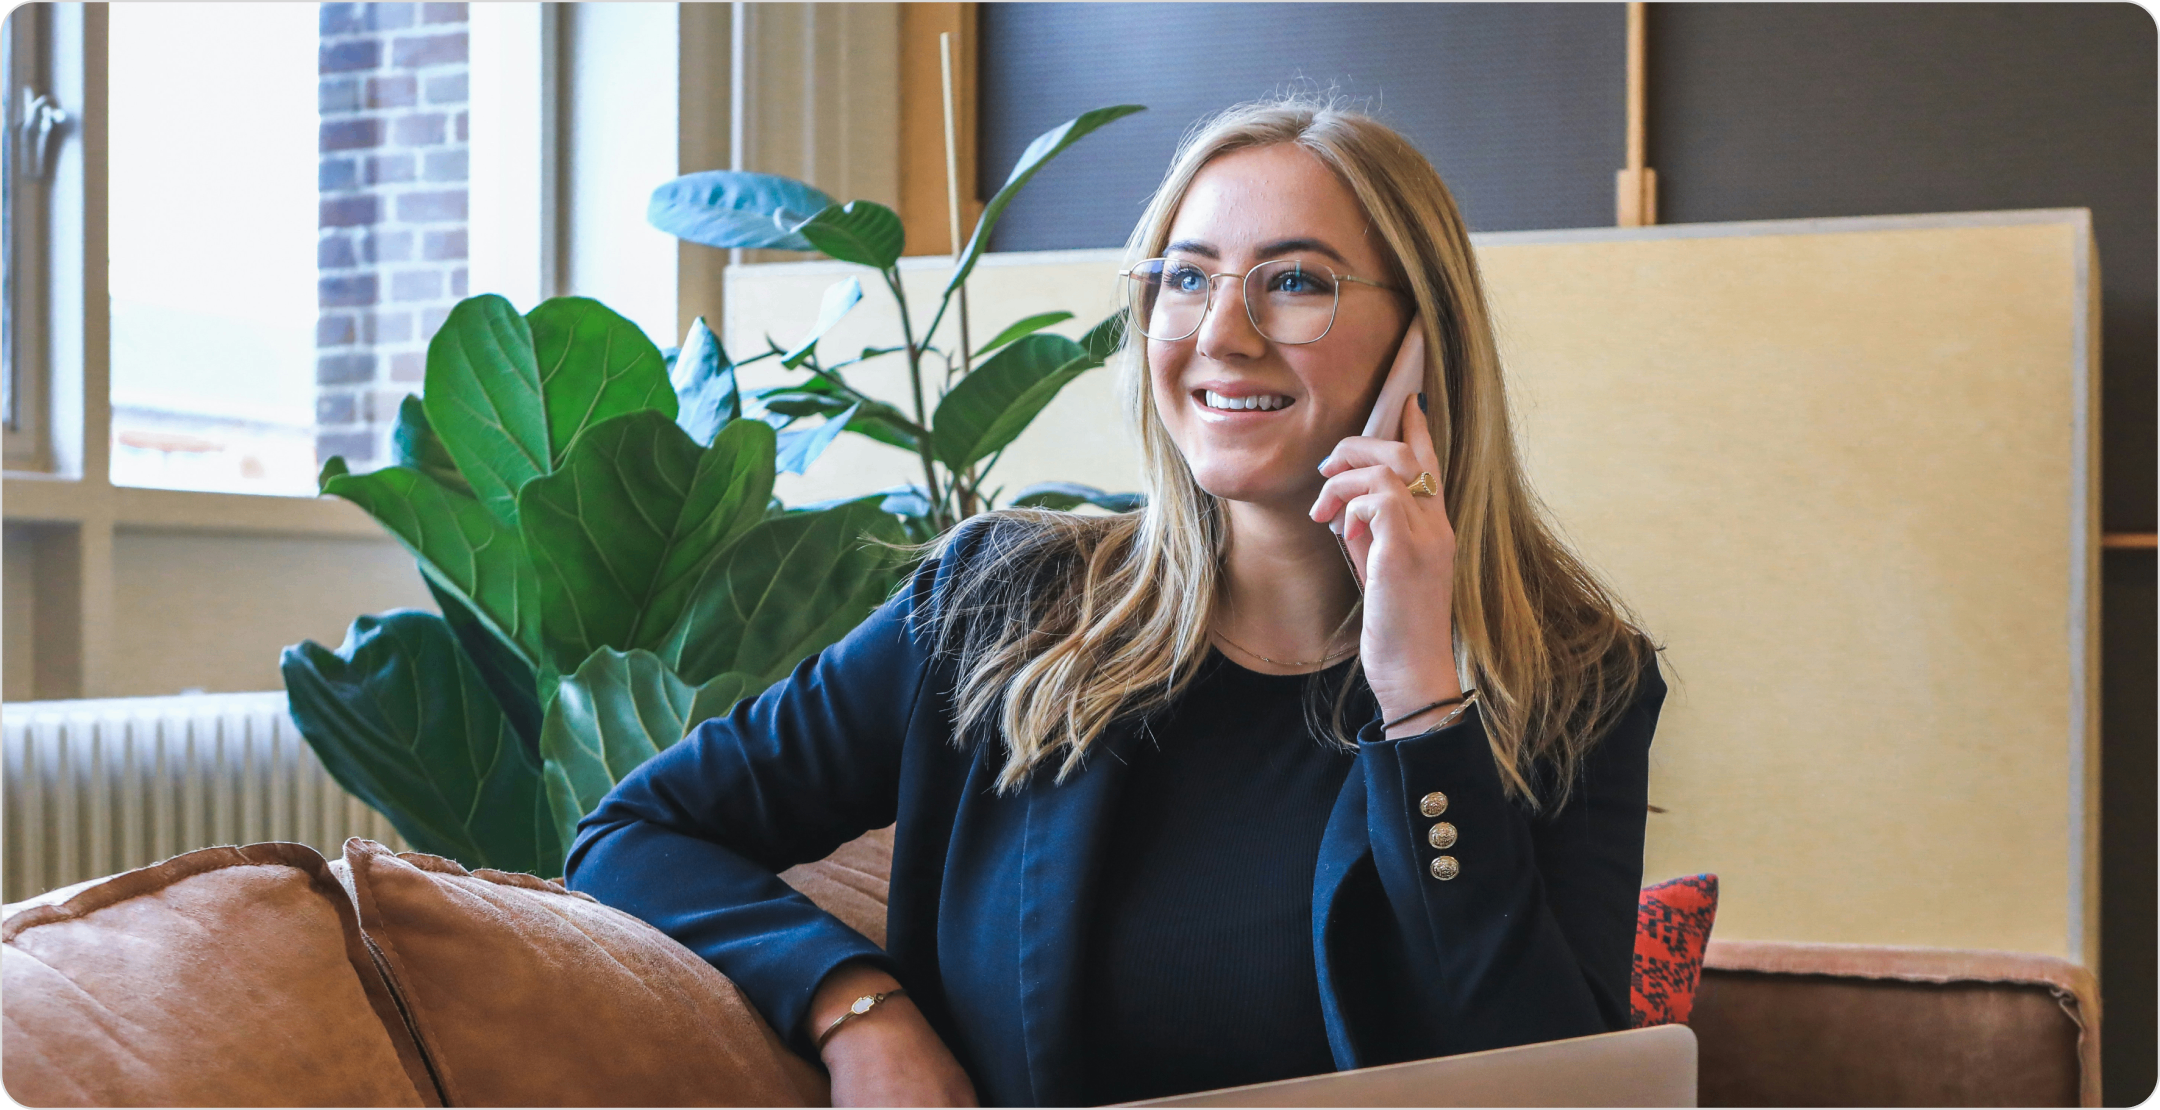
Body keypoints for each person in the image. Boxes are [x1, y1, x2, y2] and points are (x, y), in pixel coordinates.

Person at [566, 96, 1665, 1108]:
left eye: (1295, 281)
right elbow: (635, 831)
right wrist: (859, 1008)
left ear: (1422, 340)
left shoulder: (1576, 681)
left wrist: (1423, 701)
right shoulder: (995, 608)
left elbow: (1560, 1087)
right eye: (1184, 279)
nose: (1221, 334)